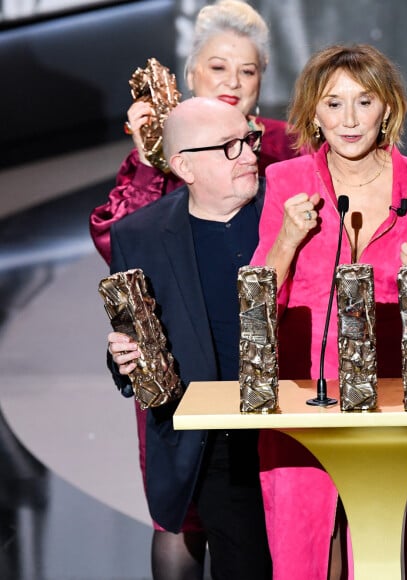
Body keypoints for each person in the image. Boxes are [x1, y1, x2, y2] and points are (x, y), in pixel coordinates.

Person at [251, 43, 407, 579]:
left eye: (364, 102)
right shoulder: (286, 184)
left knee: (382, 558)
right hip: (303, 405)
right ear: (313, 114)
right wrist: (286, 242)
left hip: (391, 404)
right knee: (304, 559)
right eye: (333, 103)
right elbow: (256, 304)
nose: (349, 120)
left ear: (387, 108)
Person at [105, 97, 272, 580]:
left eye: (249, 139)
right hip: (214, 439)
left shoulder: (290, 212)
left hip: (298, 425)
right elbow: (132, 339)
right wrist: (122, 357)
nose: (249, 154)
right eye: (229, 146)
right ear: (184, 166)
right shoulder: (141, 235)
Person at [90, 0, 297, 265]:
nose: (233, 82)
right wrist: (147, 161)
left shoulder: (289, 144)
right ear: (190, 74)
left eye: (247, 71)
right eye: (218, 67)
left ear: (260, 79)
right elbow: (121, 249)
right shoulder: (163, 157)